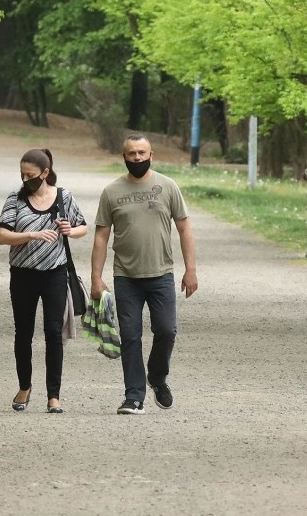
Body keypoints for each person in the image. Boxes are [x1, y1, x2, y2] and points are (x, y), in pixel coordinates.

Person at [90, 133, 198, 415]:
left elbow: (184, 228)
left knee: (166, 330)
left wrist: (191, 270)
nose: (137, 158)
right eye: (131, 154)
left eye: (141, 153)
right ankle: (133, 396)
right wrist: (95, 277)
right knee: (131, 336)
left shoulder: (167, 186)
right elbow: (101, 236)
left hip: (161, 273)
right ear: (123, 157)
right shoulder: (111, 192)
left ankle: (158, 377)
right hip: (126, 276)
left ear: (151, 155)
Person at [0, 149, 87, 414]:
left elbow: (83, 226)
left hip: (54, 273)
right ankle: (24, 385)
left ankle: (53, 395)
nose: (26, 179)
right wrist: (33, 235)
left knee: (53, 332)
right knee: (23, 333)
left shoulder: (64, 197)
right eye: (22, 175)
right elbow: (3, 236)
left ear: (45, 173)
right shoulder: (15, 198)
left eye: (31, 175)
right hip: (23, 274)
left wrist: (72, 231)